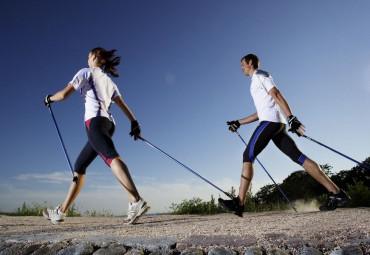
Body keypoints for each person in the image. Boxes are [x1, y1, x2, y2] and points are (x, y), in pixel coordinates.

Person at [219, 54, 350, 216]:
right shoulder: (255, 82)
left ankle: (239, 202)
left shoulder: (260, 75)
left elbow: (276, 93)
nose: (241, 68)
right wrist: (238, 122)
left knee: (248, 155)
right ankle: (336, 193)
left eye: (243, 65)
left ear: (250, 63)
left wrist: (291, 117)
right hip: (275, 123)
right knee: (299, 157)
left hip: (271, 123)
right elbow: (260, 112)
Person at [43, 47, 150, 225]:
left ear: (94, 56)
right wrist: (134, 123)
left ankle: (136, 200)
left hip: (95, 123)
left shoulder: (85, 72)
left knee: (110, 156)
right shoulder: (108, 81)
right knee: (79, 166)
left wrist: (49, 98)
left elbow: (63, 95)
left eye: (88, 56)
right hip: (108, 125)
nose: (87, 60)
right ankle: (60, 212)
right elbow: (121, 103)